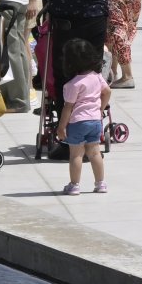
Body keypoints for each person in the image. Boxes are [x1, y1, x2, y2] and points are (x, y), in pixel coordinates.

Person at [53, 38, 110, 195]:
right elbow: (107, 92)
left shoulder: (73, 84)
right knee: (95, 152)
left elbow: (68, 107)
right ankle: (101, 184)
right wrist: (100, 109)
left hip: (78, 122)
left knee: (76, 155)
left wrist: (61, 126)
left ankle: (74, 185)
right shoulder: (97, 76)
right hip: (95, 121)